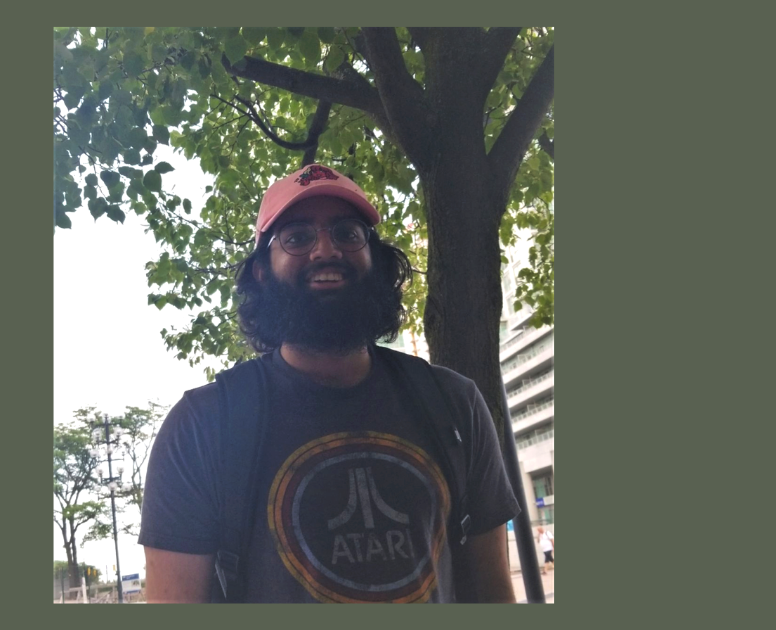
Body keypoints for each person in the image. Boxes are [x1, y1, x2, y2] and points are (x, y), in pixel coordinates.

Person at [138, 163, 521, 603]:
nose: (327, 251)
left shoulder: (456, 404)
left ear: (373, 258)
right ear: (262, 271)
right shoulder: (201, 426)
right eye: (298, 237)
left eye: (347, 232)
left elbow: (493, 593)